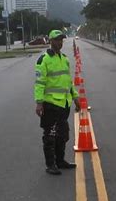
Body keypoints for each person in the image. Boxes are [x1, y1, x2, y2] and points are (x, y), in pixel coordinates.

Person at [34, 29, 81, 175]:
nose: (59, 42)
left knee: (63, 135)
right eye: (56, 40)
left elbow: (68, 82)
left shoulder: (65, 58)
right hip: (50, 104)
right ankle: (50, 164)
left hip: (64, 104)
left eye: (61, 40)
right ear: (50, 41)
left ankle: (60, 161)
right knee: (50, 136)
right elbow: (39, 83)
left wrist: (75, 98)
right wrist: (39, 102)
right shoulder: (44, 59)